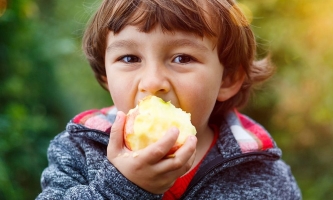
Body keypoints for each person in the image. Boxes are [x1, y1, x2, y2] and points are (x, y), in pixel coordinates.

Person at [37, 0, 301, 199]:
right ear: (106, 75)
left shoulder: (264, 174)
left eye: (182, 58)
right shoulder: (78, 150)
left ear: (227, 79)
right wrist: (123, 187)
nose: (152, 82)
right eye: (129, 58)